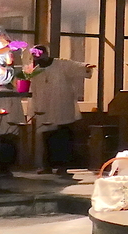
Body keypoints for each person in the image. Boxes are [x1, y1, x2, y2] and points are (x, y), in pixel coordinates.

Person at [27, 43, 94, 174]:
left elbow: (76, 66)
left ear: (46, 54)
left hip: (62, 107)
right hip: (45, 109)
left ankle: (63, 166)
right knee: (47, 137)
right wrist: (33, 110)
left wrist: (85, 67)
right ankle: (47, 166)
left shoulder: (61, 64)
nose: (38, 58)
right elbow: (33, 92)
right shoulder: (35, 72)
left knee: (63, 137)